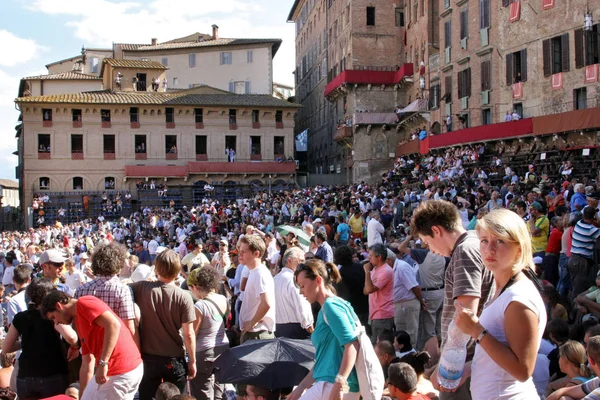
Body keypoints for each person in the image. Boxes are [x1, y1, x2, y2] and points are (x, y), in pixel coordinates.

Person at [453, 209, 547, 399]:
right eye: (484, 240)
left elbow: (522, 370)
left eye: (500, 241)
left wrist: (476, 330)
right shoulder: (504, 289)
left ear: (519, 248)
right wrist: (469, 369)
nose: (490, 249)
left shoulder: (518, 298)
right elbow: (499, 353)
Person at [410, 200, 494, 400]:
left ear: (436, 231)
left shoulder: (464, 252)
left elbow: (466, 315)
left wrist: (448, 368)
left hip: (466, 361)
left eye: (427, 241)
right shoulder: (474, 242)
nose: (430, 249)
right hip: (473, 358)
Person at [42, 290, 143, 400]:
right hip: (121, 371)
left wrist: (103, 363)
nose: (56, 322)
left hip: (119, 371)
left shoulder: (84, 303)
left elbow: (113, 324)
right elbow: (87, 363)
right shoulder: (79, 320)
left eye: (53, 317)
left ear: (59, 306)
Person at [288, 258, 361, 400]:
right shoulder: (329, 307)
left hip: (334, 386)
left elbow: (352, 345)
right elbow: (324, 360)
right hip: (331, 384)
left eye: (302, 286)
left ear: (318, 280)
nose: (301, 292)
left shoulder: (331, 306)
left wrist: (339, 384)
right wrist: (301, 388)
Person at [130, 249, 197, 399]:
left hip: (148, 357)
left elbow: (125, 285)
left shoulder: (141, 288)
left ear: (156, 267)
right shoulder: (184, 296)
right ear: (178, 269)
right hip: (174, 358)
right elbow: (189, 334)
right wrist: (192, 361)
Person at [2, 279, 70, 399]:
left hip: (26, 376)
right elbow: (71, 337)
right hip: (53, 373)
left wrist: (26, 343)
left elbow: (6, 347)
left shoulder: (21, 317)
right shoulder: (53, 315)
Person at [75, 242, 139, 348]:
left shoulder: (81, 290)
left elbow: (77, 324)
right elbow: (129, 327)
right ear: (120, 263)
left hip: (89, 347)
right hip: (116, 348)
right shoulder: (122, 290)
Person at [187, 266, 230, 400]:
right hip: (222, 348)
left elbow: (192, 334)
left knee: (203, 391)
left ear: (195, 286)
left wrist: (191, 359)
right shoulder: (223, 299)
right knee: (219, 389)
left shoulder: (200, 306)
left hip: (204, 352)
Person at [274, 247, 314, 339]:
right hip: (297, 331)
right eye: (301, 261)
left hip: (278, 330)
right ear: (290, 261)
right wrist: (310, 327)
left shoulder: (275, 279)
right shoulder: (294, 279)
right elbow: (302, 306)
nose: (303, 264)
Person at [364, 243, 395, 344]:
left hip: (383, 314)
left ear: (379, 257)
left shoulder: (386, 271)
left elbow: (369, 290)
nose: (369, 258)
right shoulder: (375, 269)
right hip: (375, 313)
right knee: (375, 344)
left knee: (380, 346)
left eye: (371, 255)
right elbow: (365, 290)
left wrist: (367, 272)